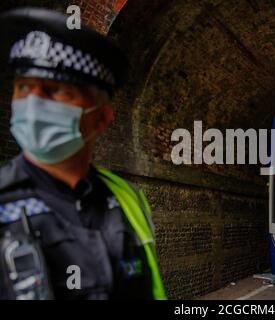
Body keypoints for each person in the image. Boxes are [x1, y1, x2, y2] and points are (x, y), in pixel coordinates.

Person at [0, 7, 166, 300]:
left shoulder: (128, 198)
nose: (33, 103)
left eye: (55, 91)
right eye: (23, 87)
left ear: (101, 117)